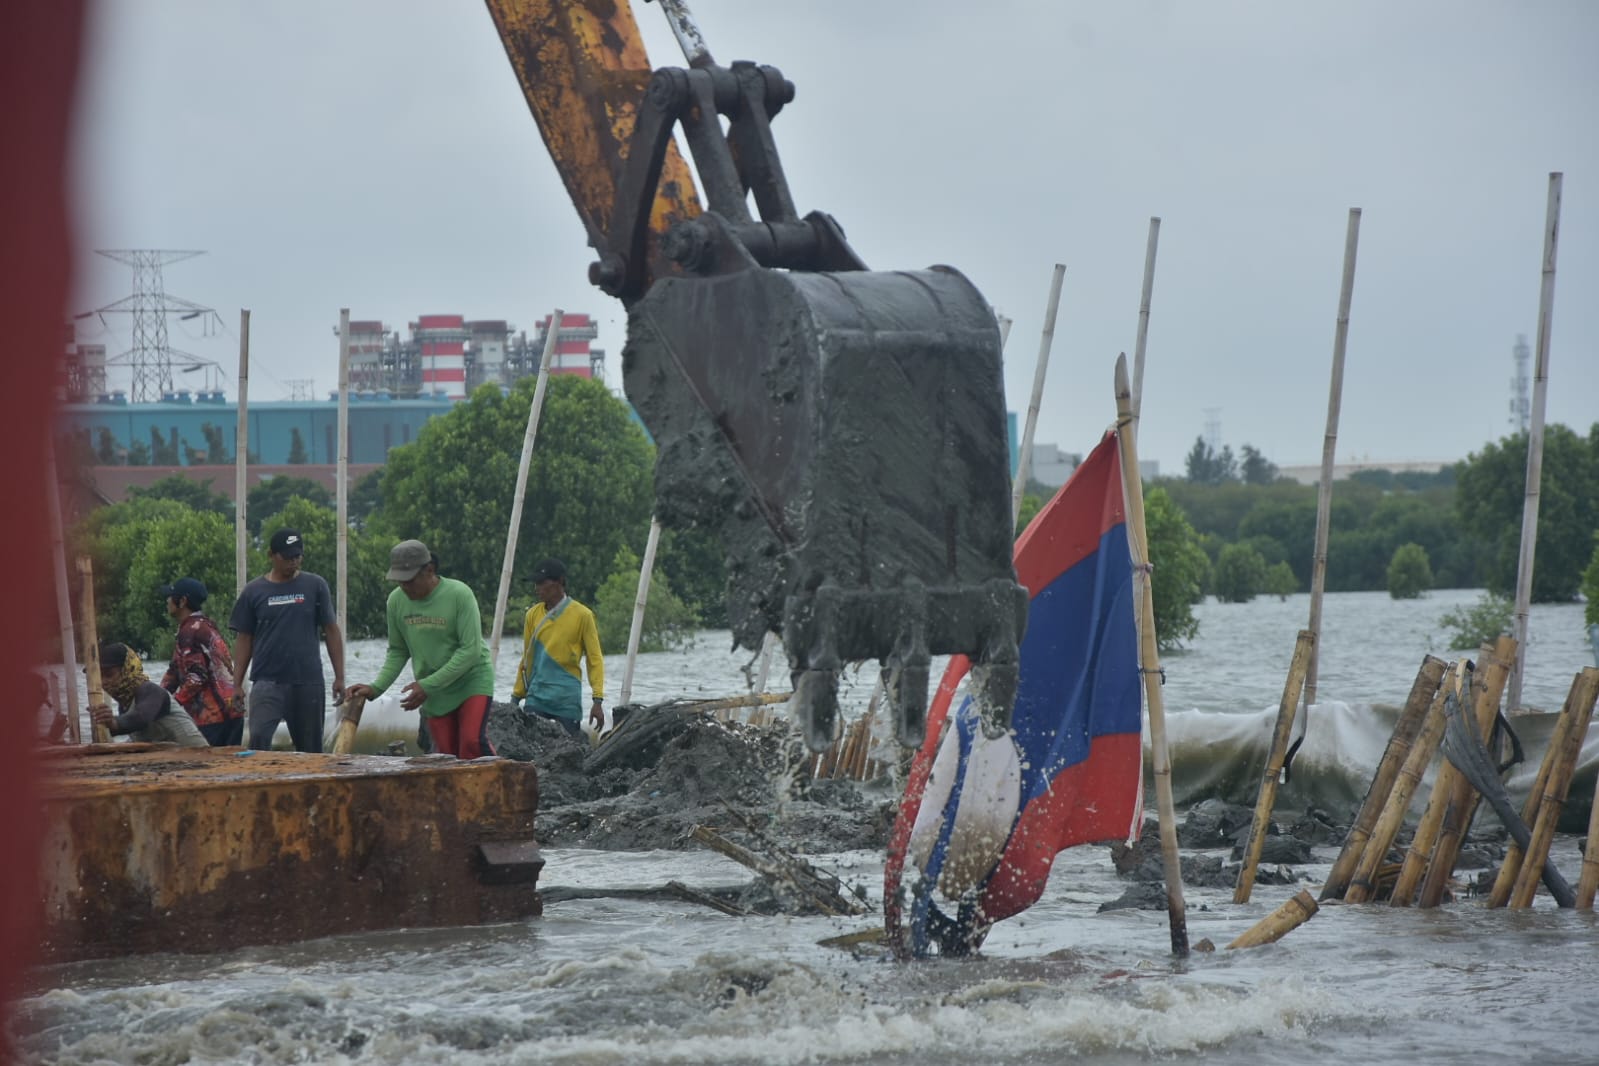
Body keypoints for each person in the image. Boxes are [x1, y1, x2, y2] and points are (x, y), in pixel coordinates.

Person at [346, 540, 496, 759]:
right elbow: (398, 651)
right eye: (400, 582)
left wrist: (426, 685)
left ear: (430, 570)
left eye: (410, 581)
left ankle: (501, 788)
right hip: (434, 689)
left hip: (470, 681)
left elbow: (470, 651)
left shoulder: (459, 594)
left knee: (471, 743)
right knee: (445, 755)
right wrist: (375, 688)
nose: (405, 588)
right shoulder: (396, 601)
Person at [229, 527, 345, 752]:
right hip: (267, 681)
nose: (294, 562)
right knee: (259, 738)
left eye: (298, 556)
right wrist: (236, 684)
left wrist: (339, 677)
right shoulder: (254, 592)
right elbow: (244, 639)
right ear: (271, 555)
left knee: (310, 748)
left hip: (308, 681)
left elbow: (331, 630)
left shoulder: (315, 586)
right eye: (288, 557)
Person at [511, 558, 605, 736]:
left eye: (542, 583)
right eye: (536, 583)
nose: (537, 588)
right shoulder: (532, 615)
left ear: (560, 581)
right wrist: (516, 697)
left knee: (567, 751)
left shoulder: (583, 615)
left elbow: (595, 659)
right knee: (531, 749)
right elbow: (528, 658)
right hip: (536, 696)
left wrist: (598, 700)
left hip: (567, 699)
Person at [158, 576, 243, 746]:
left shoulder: (189, 632)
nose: (167, 601)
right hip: (232, 712)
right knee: (228, 767)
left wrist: (172, 704)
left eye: (170, 597)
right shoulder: (204, 625)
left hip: (212, 718)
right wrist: (158, 697)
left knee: (207, 768)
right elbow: (175, 669)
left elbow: (197, 676)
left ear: (182, 601)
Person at [89, 642, 208, 748]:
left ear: (128, 670)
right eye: (100, 677)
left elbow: (142, 718)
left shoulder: (150, 691)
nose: (103, 682)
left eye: (109, 675)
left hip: (195, 754)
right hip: (168, 760)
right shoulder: (125, 704)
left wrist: (114, 723)